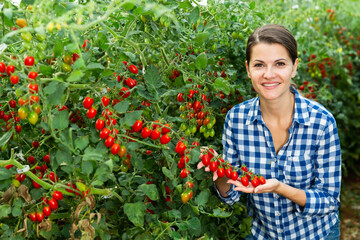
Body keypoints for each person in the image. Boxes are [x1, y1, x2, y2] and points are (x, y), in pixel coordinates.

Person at [198, 24, 341, 240]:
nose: (268, 74)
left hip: (316, 234)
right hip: (262, 235)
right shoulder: (236, 120)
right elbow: (231, 196)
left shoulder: (321, 122)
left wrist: (280, 188)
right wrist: (221, 171)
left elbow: (329, 200)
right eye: (259, 65)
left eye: (280, 64)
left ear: (294, 67)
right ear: (248, 69)